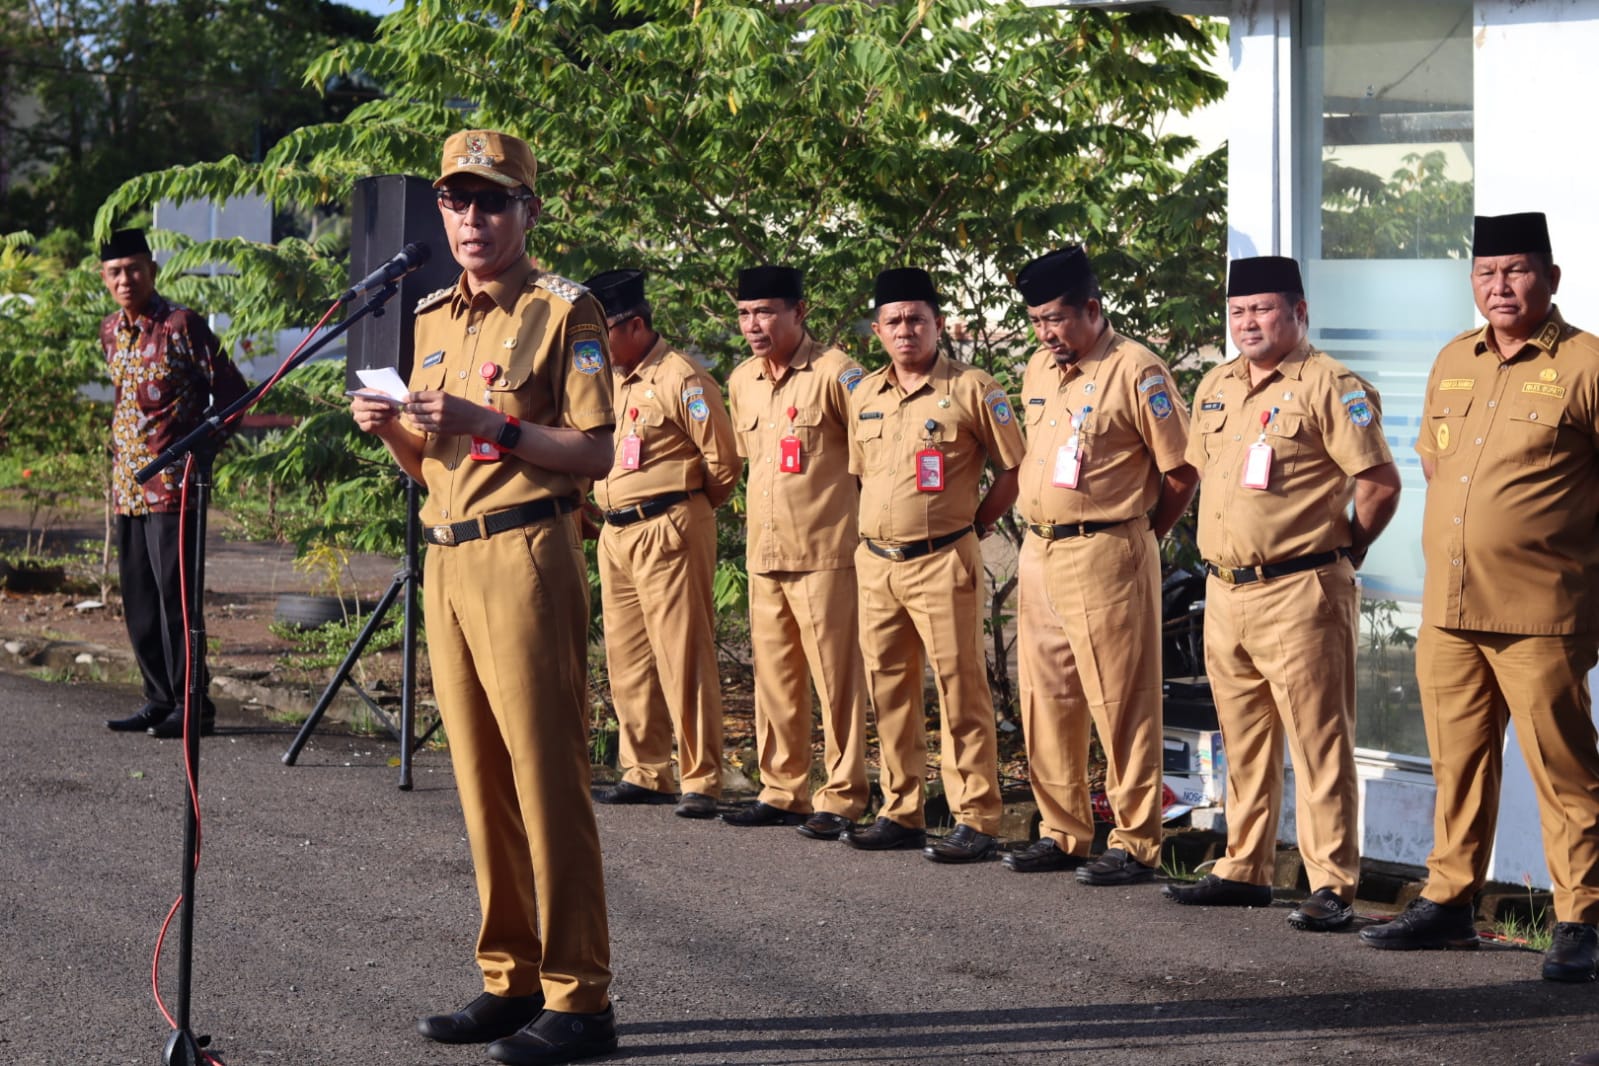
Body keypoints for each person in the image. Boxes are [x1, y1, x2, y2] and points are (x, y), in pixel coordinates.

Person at [349, 129, 616, 1065]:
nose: (472, 218)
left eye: (492, 201)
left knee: (545, 779)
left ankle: (580, 995)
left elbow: (594, 452)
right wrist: (389, 428)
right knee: (480, 785)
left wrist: (494, 423)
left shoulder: (562, 310)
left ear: (527, 212)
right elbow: (433, 471)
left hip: (527, 555)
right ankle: (512, 978)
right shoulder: (426, 317)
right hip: (448, 559)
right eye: (457, 201)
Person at [1359, 212, 1599, 981]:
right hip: (1450, 609)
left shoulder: (1586, 364)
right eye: (1486, 272)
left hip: (1541, 612)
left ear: (1551, 279)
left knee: (1565, 774)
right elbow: (1436, 464)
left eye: (1517, 270)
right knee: (1456, 763)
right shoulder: (1450, 360)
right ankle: (1450, 900)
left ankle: (1581, 920)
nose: (1500, 286)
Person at [1165, 255, 1401, 931]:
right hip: (1226, 592)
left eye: (1263, 309)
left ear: (1299, 313)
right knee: (1242, 737)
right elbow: (1192, 473)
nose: (1248, 322)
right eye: (1238, 312)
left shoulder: (1330, 384)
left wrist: (1344, 551)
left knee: (1318, 739)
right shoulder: (1216, 384)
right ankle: (1244, 867)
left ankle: (1331, 882)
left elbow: (1379, 483)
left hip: (1301, 589)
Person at [1007, 246, 1198, 883]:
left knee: (1121, 700)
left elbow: (1182, 470)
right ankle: (1063, 831)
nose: (1046, 333)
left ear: (1092, 308)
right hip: (1040, 551)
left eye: (1056, 319)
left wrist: (1140, 535)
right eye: (1036, 320)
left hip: (1108, 552)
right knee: (1046, 698)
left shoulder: (1136, 369)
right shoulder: (1038, 368)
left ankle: (1135, 839)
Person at [844, 266, 1026, 863]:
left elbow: (1014, 469)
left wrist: (975, 525)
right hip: (877, 565)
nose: (906, 331)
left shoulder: (973, 387)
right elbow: (861, 477)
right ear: (877, 330)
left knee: (960, 688)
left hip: (942, 559)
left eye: (917, 319)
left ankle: (976, 814)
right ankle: (902, 809)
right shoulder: (864, 393)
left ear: (938, 325)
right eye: (893, 321)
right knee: (889, 689)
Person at [585, 268, 741, 820]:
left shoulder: (682, 378)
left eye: (600, 331)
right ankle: (647, 771)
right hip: (615, 533)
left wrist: (683, 512)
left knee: (682, 655)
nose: (593, 345)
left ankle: (701, 778)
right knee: (627, 658)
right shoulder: (606, 379)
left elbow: (723, 464)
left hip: (667, 526)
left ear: (634, 326)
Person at [722, 265, 871, 838]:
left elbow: (870, 460)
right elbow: (749, 461)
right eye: (743, 313)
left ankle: (843, 794)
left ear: (798, 313)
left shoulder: (839, 375)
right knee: (775, 679)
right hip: (766, 555)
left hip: (827, 554)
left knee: (837, 681)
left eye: (764, 312)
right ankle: (784, 790)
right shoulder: (742, 381)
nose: (752, 325)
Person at [98, 228, 248, 740]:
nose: (125, 279)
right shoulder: (110, 332)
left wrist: (201, 453)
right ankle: (158, 699)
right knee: (138, 597)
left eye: (134, 268)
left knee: (175, 597)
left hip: (174, 487)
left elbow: (233, 393)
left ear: (151, 270)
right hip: (128, 488)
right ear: (104, 278)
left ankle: (193, 705)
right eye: (115, 271)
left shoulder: (182, 326)